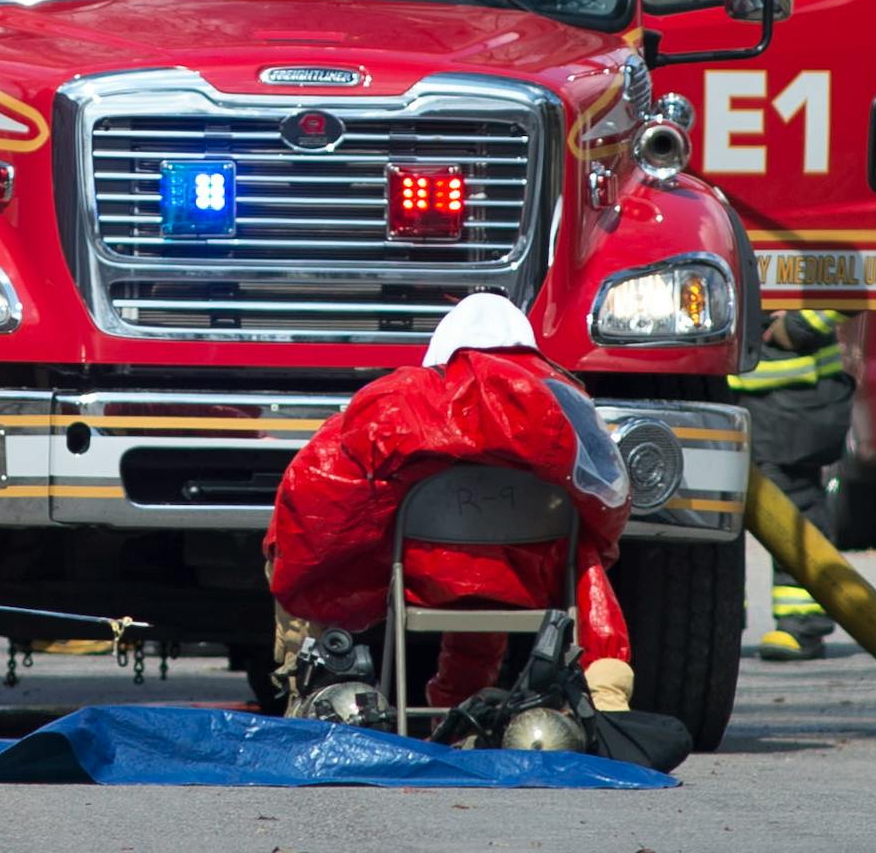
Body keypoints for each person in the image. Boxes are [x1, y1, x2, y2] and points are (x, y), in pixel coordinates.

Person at [265, 293, 635, 716]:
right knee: (575, 555)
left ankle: (306, 686)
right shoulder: (567, 403)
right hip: (534, 574)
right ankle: (606, 696)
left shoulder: (398, 399)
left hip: (424, 577)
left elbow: (313, 497)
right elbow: (608, 504)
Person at [732, 308, 851, 661]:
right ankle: (715, 626)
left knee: (793, 511)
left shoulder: (816, 248)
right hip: (713, 388)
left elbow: (865, 269)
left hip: (789, 397)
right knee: (708, 516)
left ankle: (802, 622)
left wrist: (800, 325)